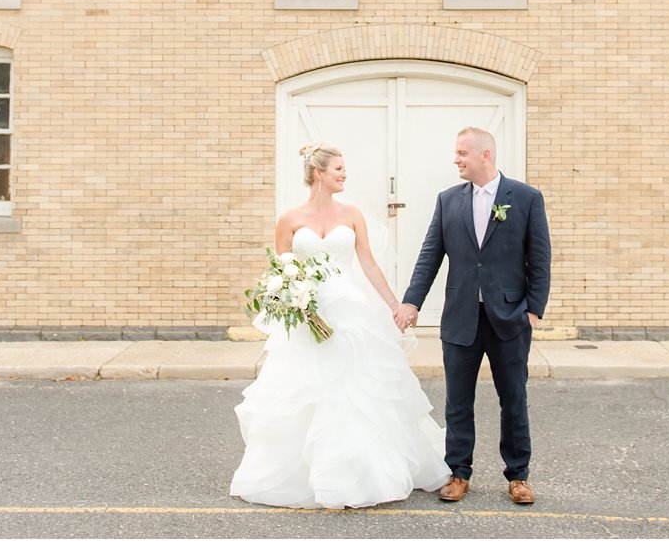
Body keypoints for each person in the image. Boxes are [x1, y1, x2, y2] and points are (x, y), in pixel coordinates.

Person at [230, 143, 451, 509]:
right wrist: (293, 299)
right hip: (307, 314)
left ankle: (362, 474)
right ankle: (304, 475)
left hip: (350, 311)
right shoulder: (289, 219)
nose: (345, 175)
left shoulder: (352, 214)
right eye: (338, 170)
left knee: (356, 390)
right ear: (319, 174)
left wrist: (396, 305)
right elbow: (280, 271)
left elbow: (368, 264)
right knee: (308, 391)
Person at [394, 127, 551, 505]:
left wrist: (533, 310)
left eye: (463, 152)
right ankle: (458, 472)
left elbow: (540, 258)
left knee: (513, 398)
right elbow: (430, 254)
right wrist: (411, 301)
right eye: (456, 153)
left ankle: (518, 476)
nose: (456, 159)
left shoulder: (526, 198)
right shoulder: (448, 200)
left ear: (486, 155)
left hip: (510, 317)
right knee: (457, 400)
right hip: (461, 316)